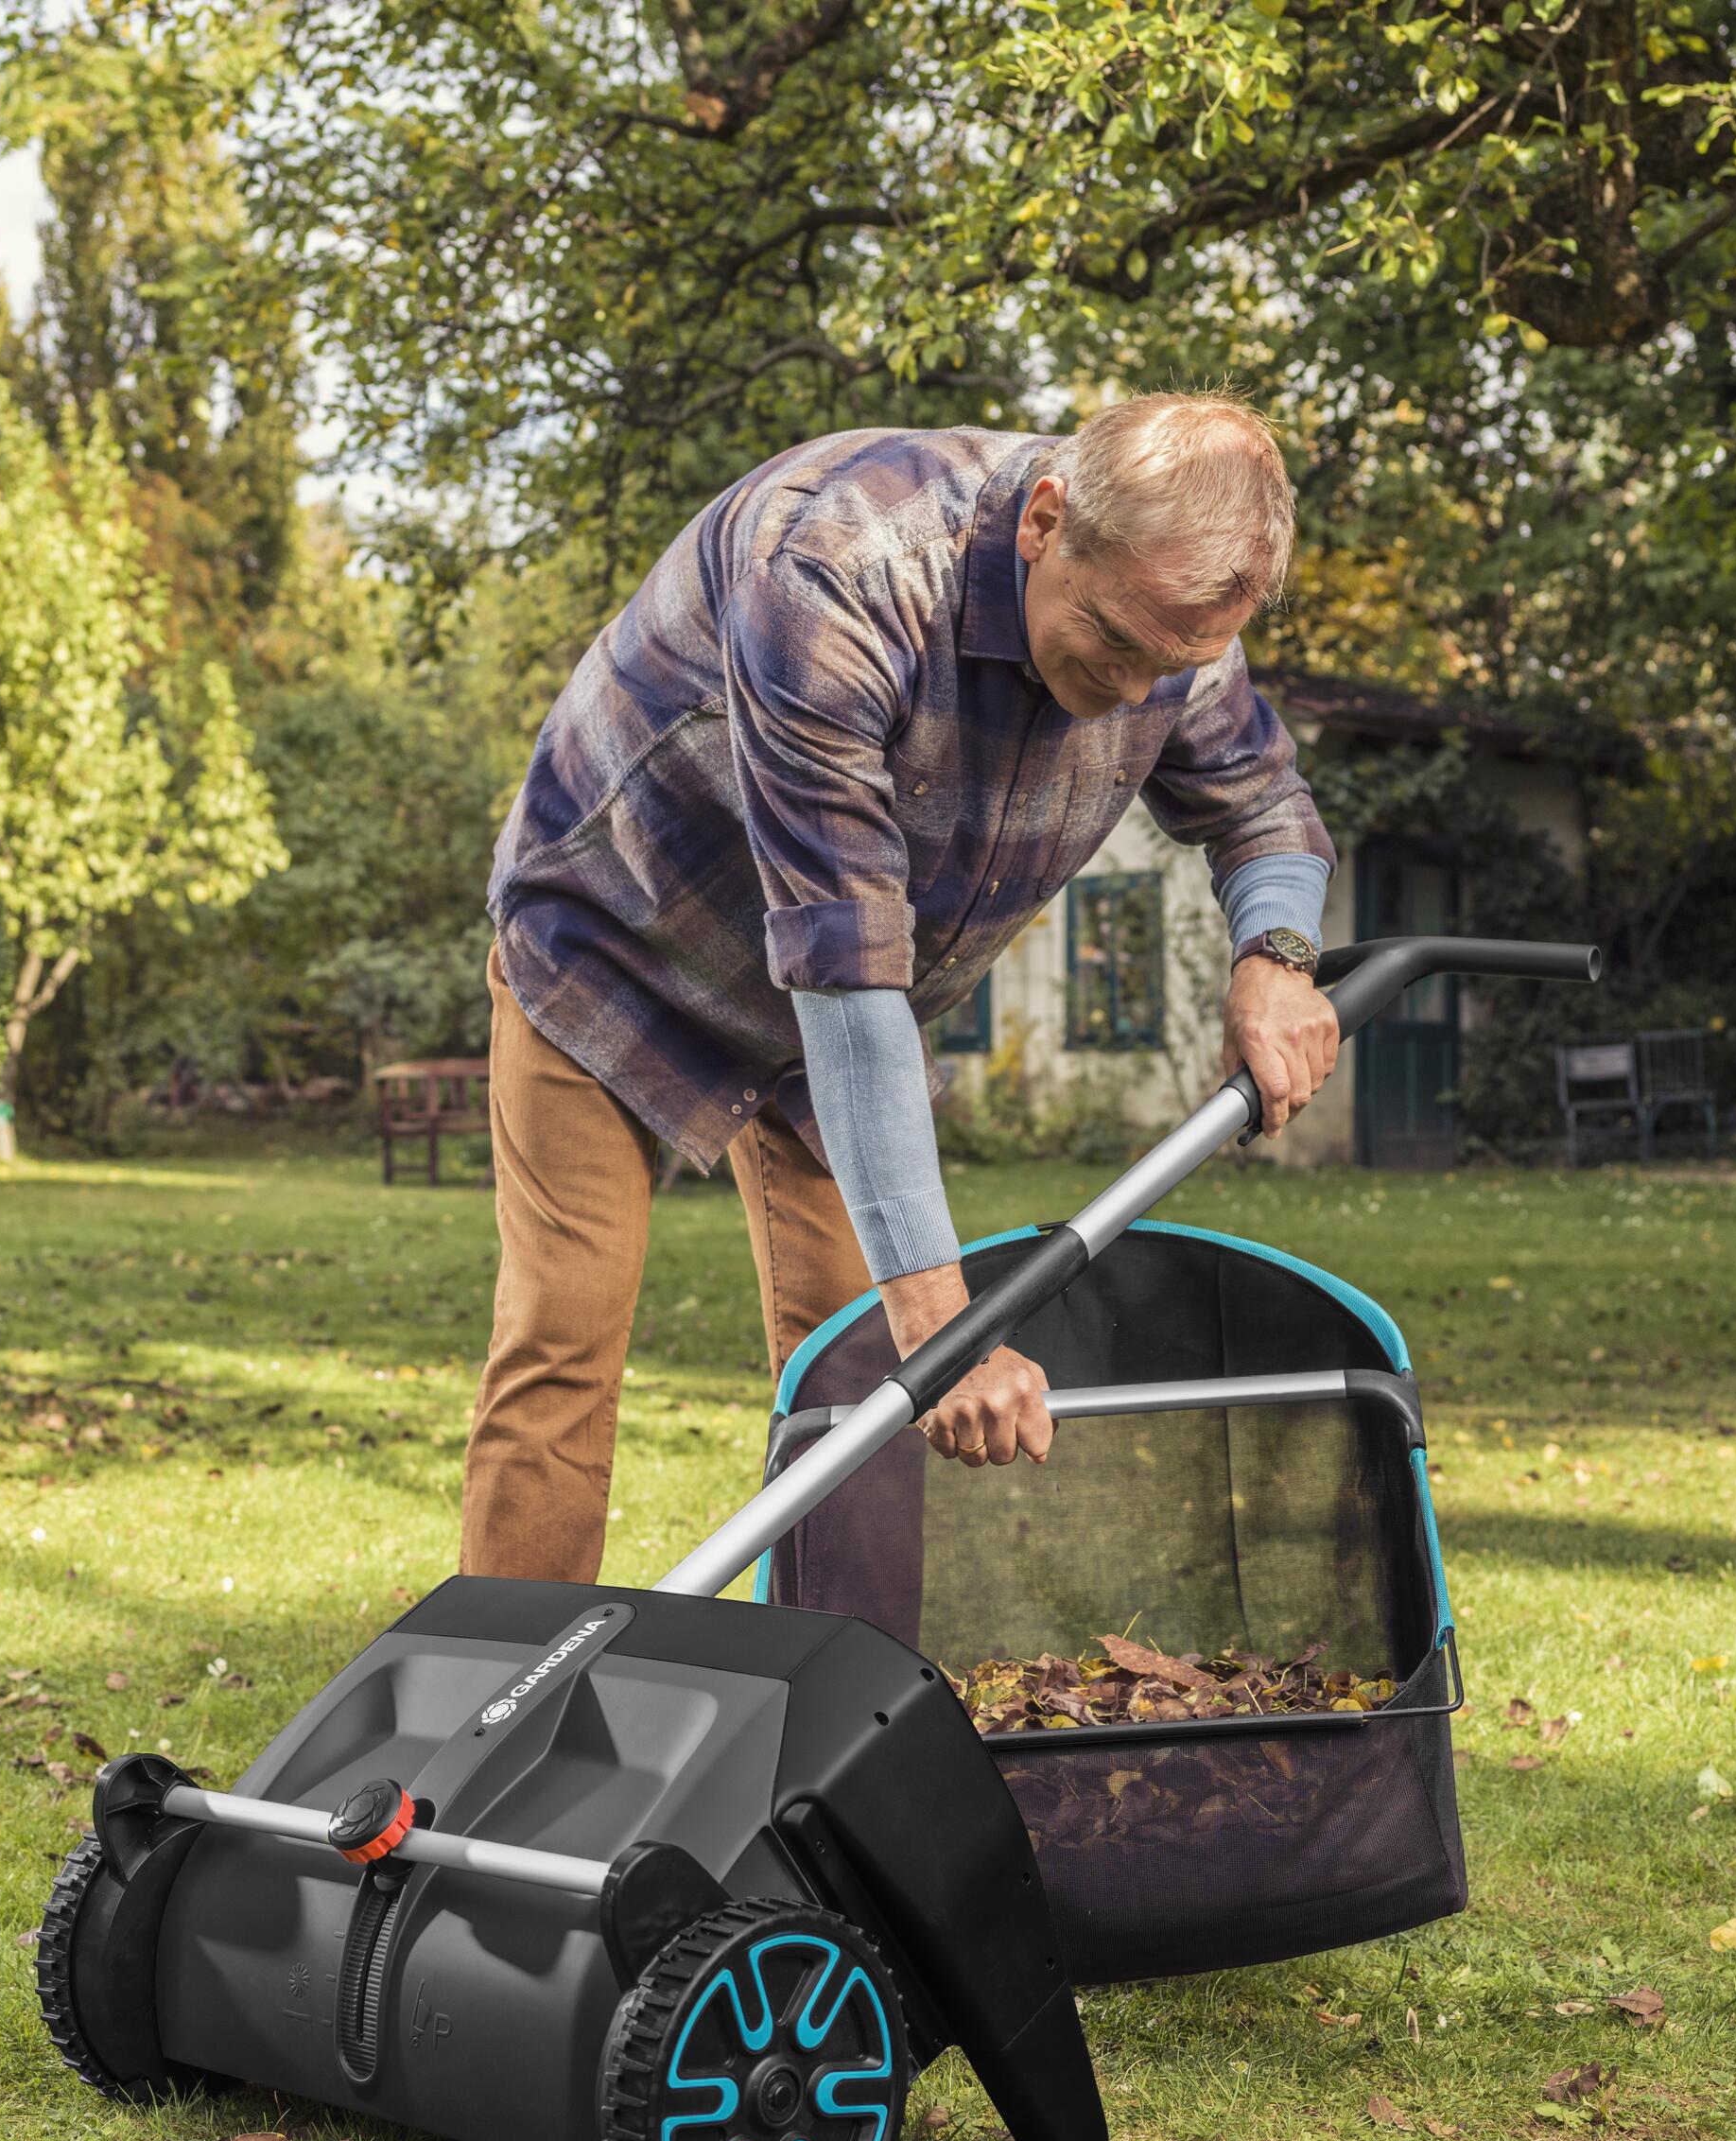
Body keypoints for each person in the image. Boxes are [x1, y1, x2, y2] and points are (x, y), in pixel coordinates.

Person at [466, 394, 1341, 1585]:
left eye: (1171, 664)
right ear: (1045, 521)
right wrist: (946, 1323)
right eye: (1118, 644)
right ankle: (505, 1720)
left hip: (833, 1010)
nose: (1138, 693)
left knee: (861, 1382)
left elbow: (1260, 808)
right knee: (566, 1341)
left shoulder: (1170, 621)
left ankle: (837, 1709)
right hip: (616, 946)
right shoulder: (833, 570)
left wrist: (1275, 957)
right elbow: (846, 968)